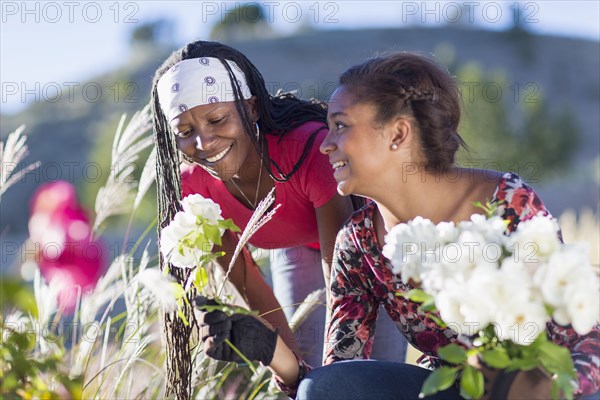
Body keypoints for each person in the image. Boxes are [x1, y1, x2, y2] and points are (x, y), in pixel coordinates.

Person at [196, 52, 599, 399]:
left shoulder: (504, 202)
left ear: (399, 133)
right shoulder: (359, 243)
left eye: (341, 125)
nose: (325, 143)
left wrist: (542, 387)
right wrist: (271, 350)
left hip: (553, 386)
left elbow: (584, 336)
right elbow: (338, 381)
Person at [151, 40, 408, 366]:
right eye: (185, 131)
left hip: (365, 250)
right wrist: (295, 373)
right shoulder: (194, 187)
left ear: (252, 108)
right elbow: (248, 282)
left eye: (216, 119)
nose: (203, 142)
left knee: (373, 372)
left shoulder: (307, 150)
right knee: (308, 368)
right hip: (296, 250)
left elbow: (343, 287)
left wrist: (334, 373)